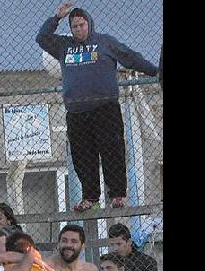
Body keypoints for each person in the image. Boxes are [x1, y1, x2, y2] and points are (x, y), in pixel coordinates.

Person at [37, 3, 158, 211]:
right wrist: (57, 17)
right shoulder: (63, 46)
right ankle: (90, 196)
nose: (78, 30)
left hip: (105, 108)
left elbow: (130, 58)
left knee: (112, 151)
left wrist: (154, 71)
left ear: (89, 23)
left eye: (82, 25)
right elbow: (42, 38)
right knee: (83, 156)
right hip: (76, 111)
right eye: (74, 27)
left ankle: (118, 194)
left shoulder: (104, 42)